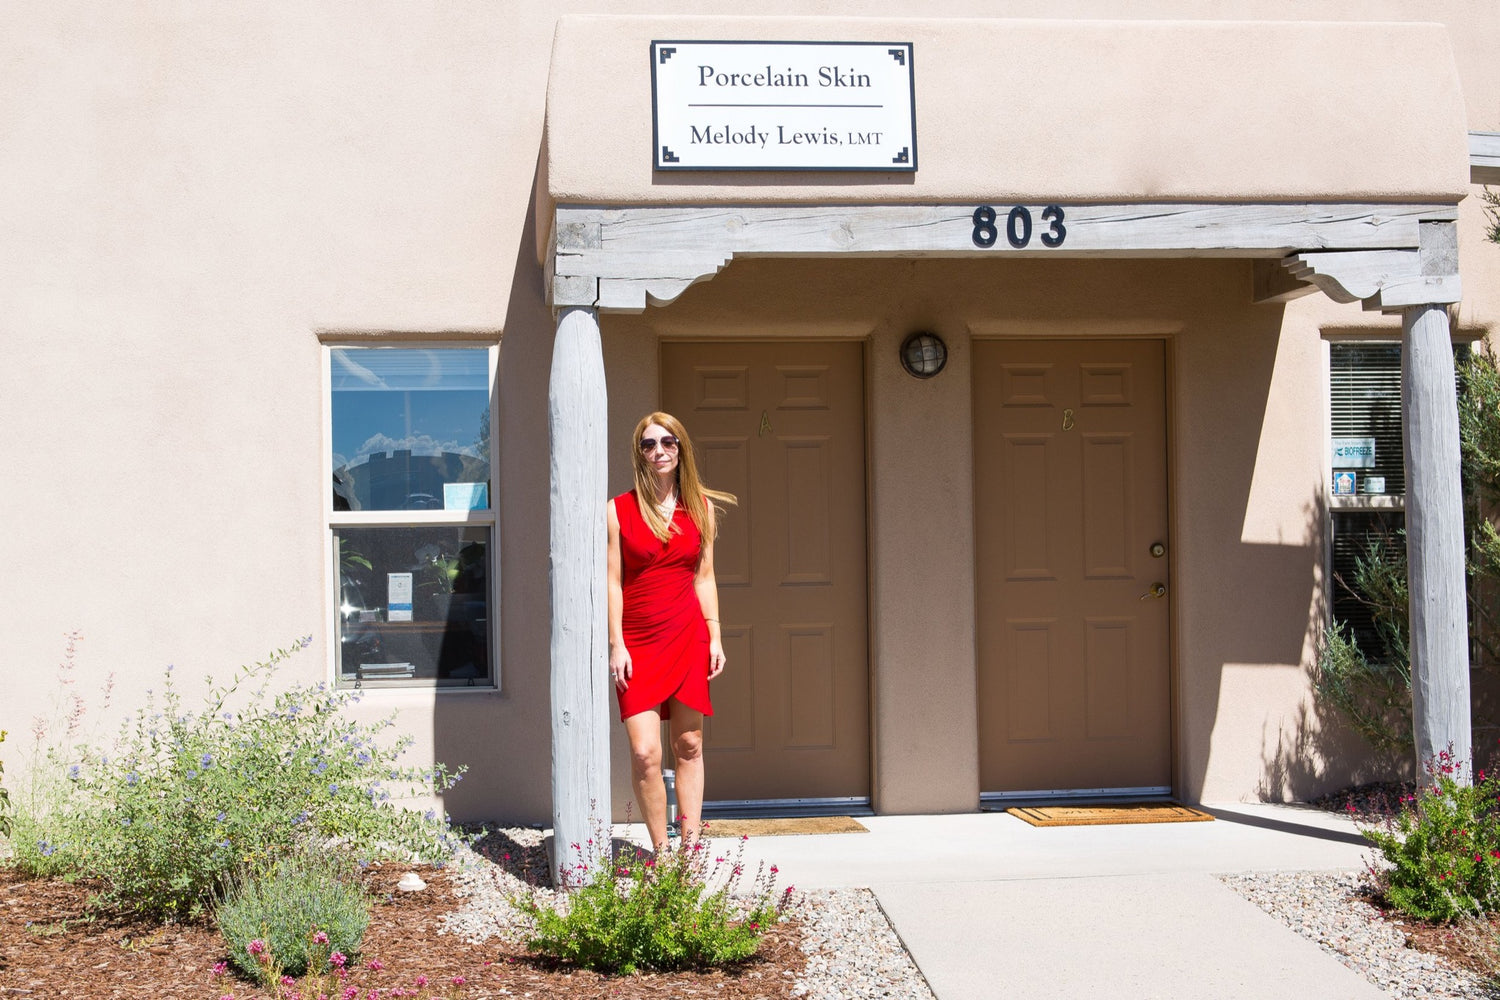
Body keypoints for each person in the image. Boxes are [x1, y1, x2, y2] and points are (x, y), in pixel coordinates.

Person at [607, 411, 736, 850]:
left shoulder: (699, 507)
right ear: (639, 453)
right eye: (648, 444)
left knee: (688, 744)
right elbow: (611, 581)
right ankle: (662, 850)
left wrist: (715, 636)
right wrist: (616, 644)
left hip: (687, 634)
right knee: (645, 753)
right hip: (638, 642)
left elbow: (705, 577)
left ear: (681, 450)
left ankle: (690, 849)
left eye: (667, 443)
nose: (658, 451)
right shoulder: (618, 510)